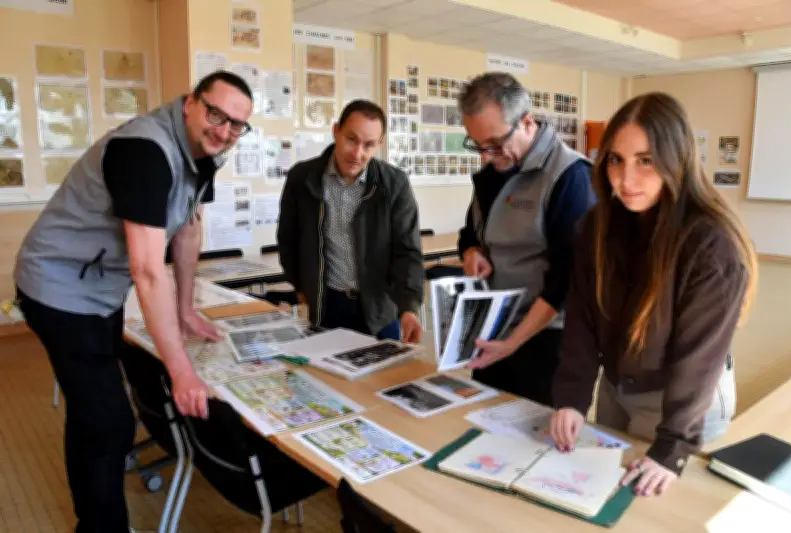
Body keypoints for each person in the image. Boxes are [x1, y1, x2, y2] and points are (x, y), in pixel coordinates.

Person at [13, 71, 254, 533]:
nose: (224, 131)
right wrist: (181, 372)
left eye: (236, 125)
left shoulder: (204, 152)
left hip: (101, 286)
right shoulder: (144, 150)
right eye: (216, 114)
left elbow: (187, 229)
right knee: (107, 420)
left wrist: (185, 309)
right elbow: (147, 269)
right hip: (57, 284)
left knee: (96, 408)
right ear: (190, 103)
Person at [549, 92, 757, 497]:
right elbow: (582, 318)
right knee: (600, 491)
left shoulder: (711, 245)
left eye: (645, 160)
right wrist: (571, 398)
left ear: (678, 159)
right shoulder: (596, 226)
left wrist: (672, 448)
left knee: (653, 506)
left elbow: (699, 358)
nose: (626, 180)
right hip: (618, 385)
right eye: (616, 159)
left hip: (683, 399)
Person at [455, 72, 595, 405]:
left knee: (533, 433)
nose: (486, 156)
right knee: (481, 422)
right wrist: (472, 251)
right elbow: (470, 233)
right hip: (495, 328)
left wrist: (512, 343)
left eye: (495, 144)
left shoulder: (570, 176)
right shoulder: (493, 170)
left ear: (527, 122)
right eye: (477, 145)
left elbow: (566, 281)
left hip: (547, 340)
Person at [277, 99, 424, 343]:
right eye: (351, 139)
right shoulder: (302, 178)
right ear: (336, 131)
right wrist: (301, 289)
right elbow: (287, 239)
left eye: (369, 145)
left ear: (380, 144)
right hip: (327, 307)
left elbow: (407, 251)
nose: (357, 154)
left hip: (379, 310)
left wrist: (409, 306)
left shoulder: (394, 184)